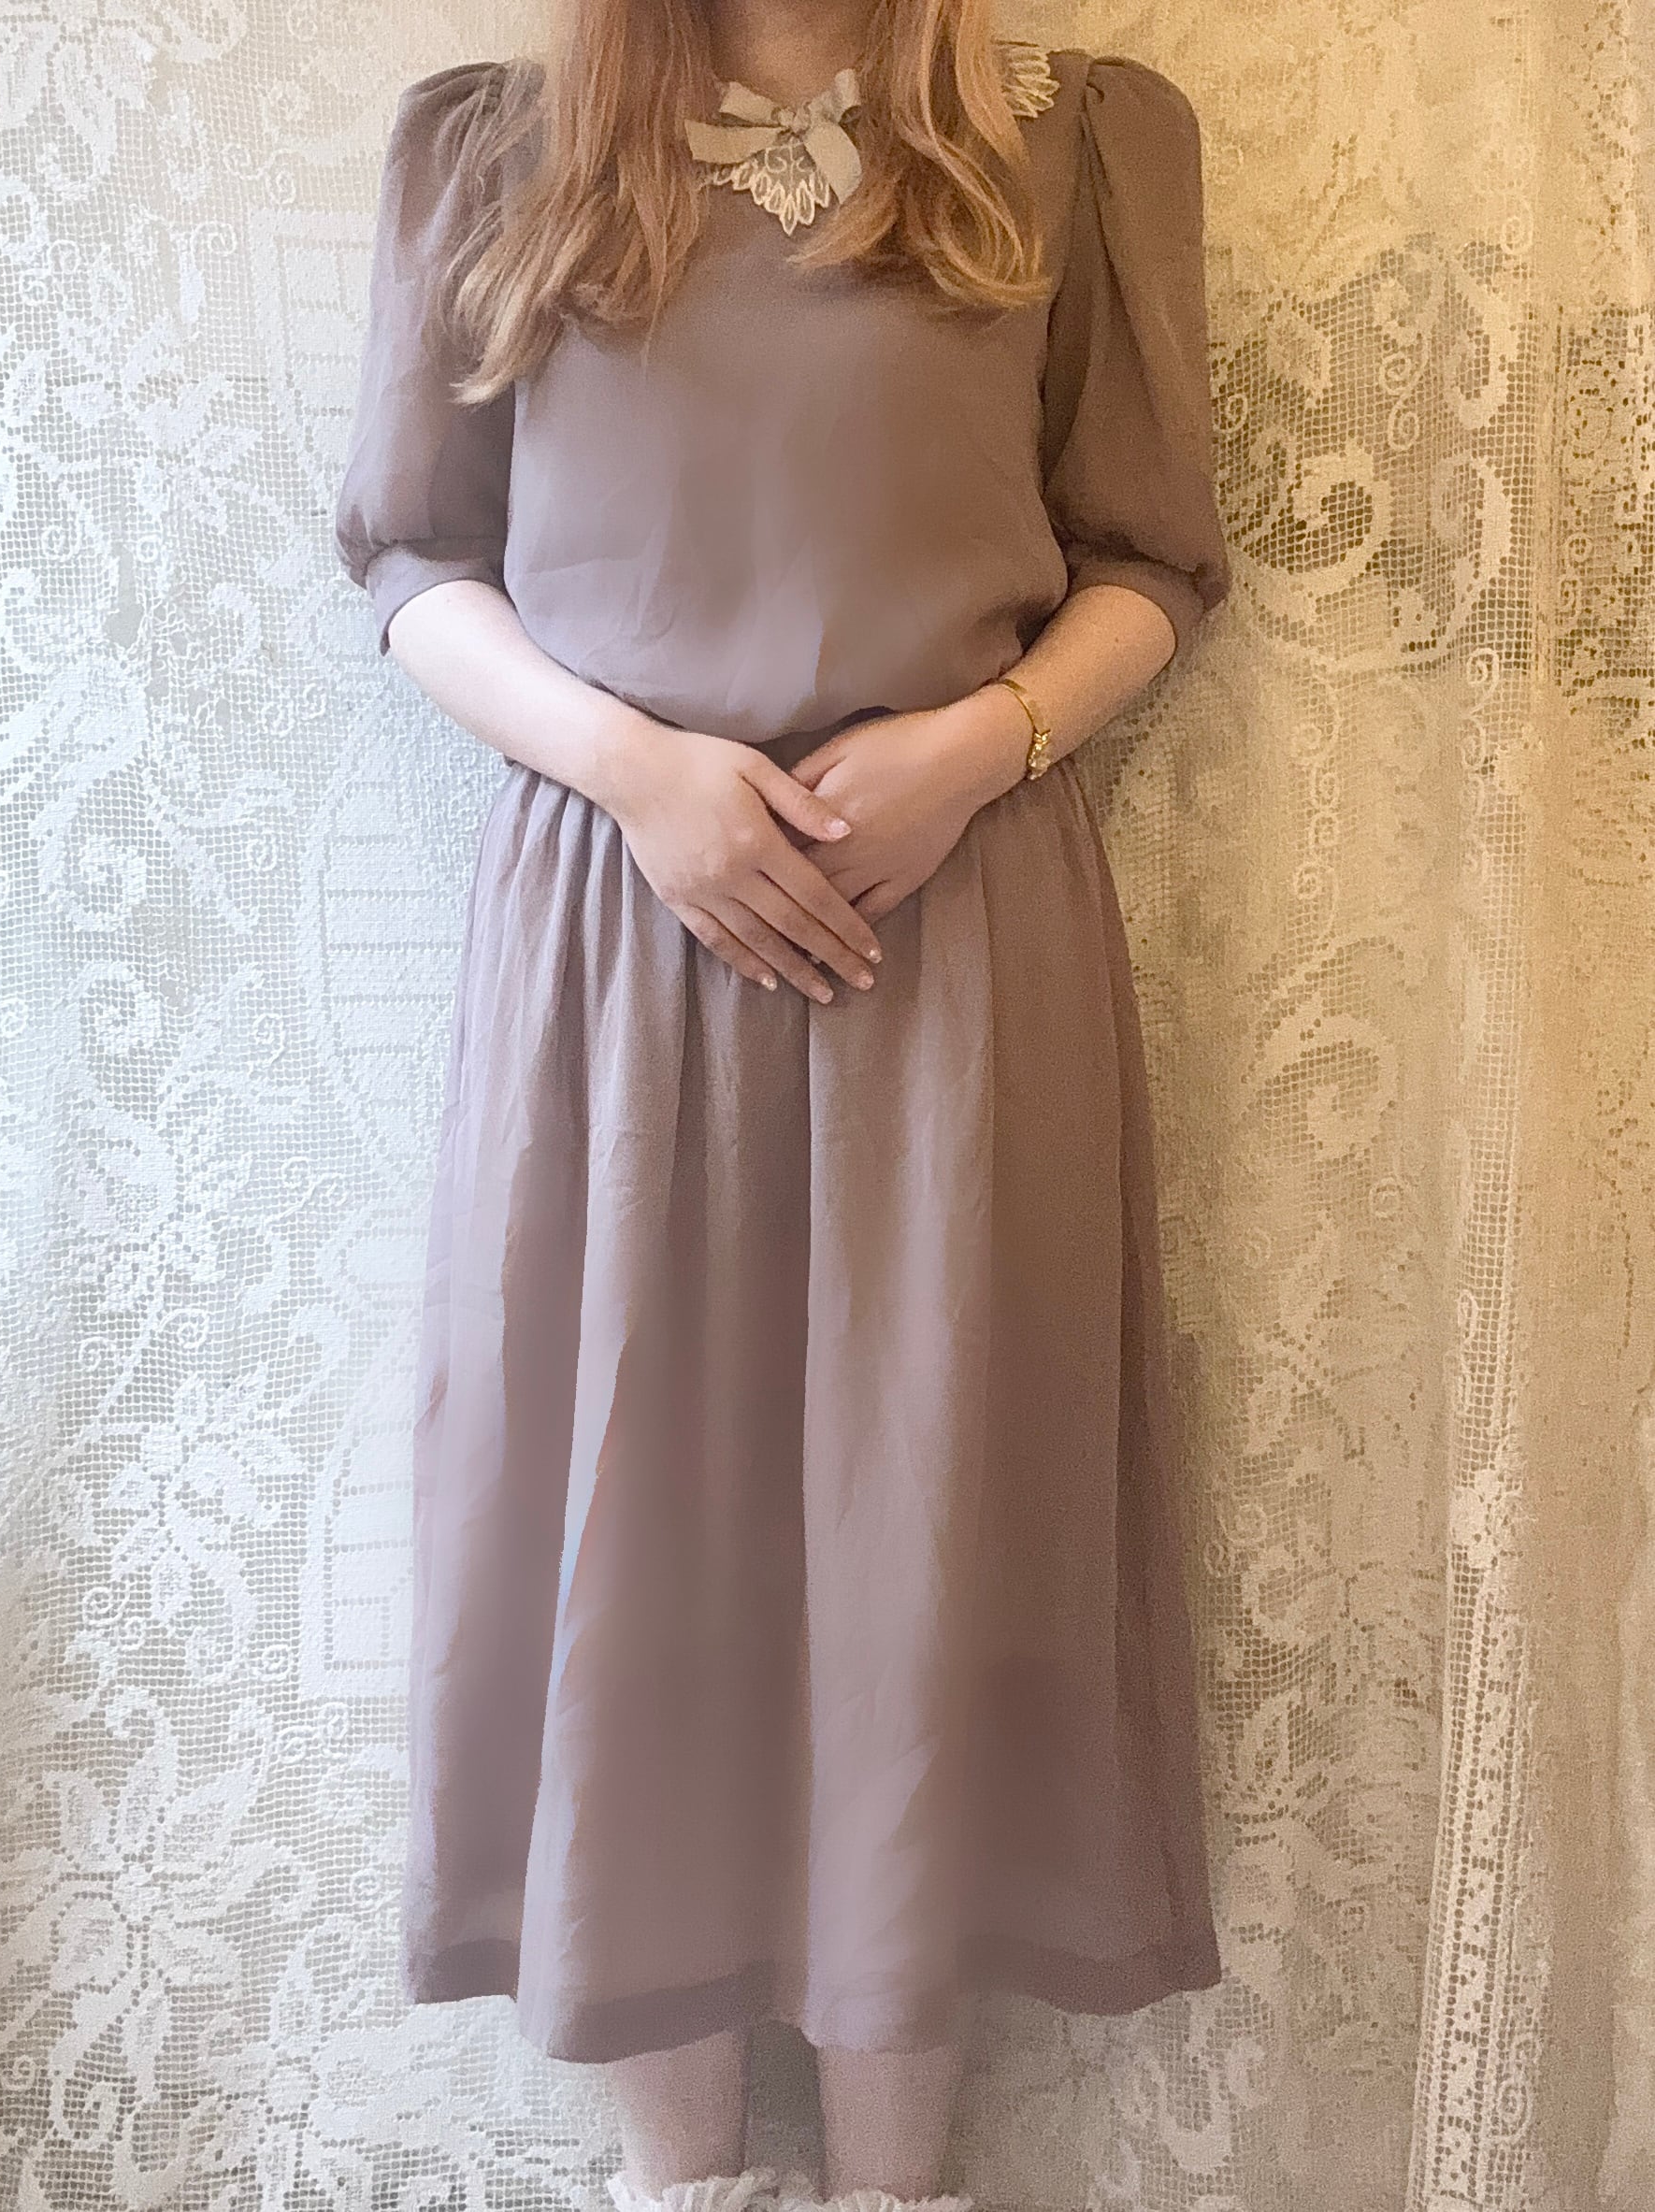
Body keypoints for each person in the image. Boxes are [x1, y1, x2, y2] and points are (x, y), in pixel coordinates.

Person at [333, 3, 1232, 2210]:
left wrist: (981, 743)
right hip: (614, 947)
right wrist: (634, 770)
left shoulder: (1071, 142)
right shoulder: (496, 150)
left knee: (929, 1535)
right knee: (626, 1538)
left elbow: (1152, 559)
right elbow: (411, 562)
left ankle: (898, 2184)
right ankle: (689, 2183)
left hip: (956, 935)